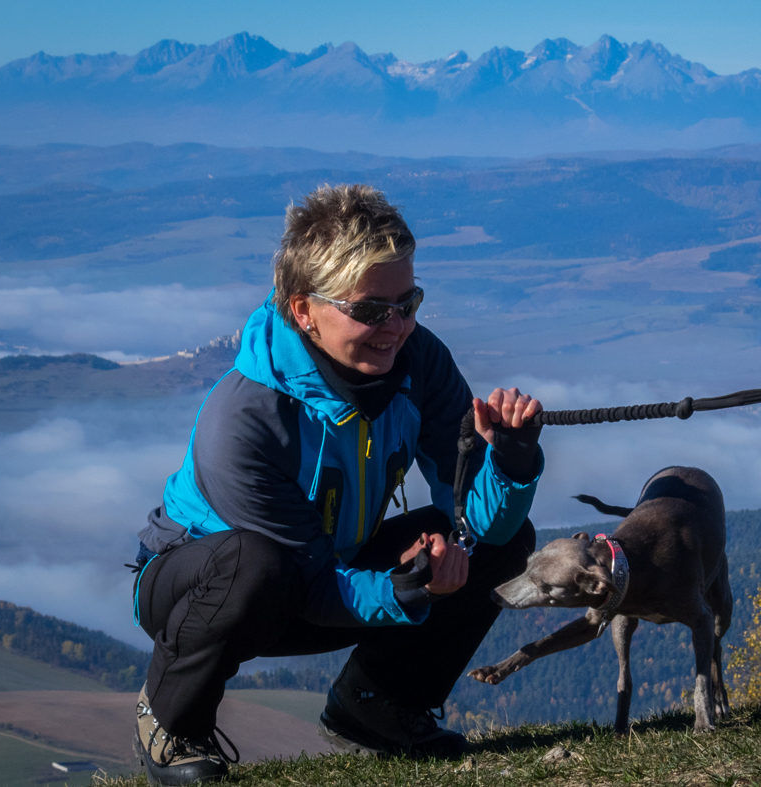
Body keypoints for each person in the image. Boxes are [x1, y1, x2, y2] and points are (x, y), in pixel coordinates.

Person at [130, 184, 544, 785]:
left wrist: (510, 460)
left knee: (505, 544)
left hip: (323, 570)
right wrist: (402, 590)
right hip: (206, 590)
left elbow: (478, 521)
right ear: (303, 310)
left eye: (410, 302)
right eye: (371, 310)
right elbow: (303, 580)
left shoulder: (420, 363)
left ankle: (376, 709)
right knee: (256, 565)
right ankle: (170, 725)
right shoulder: (248, 418)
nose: (396, 326)